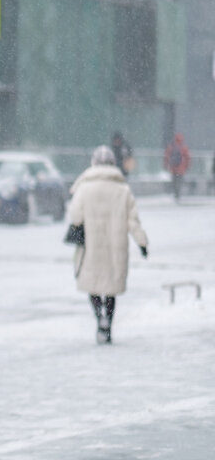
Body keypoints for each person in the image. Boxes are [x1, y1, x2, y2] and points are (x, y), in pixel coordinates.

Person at [67, 145, 148, 344]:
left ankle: (99, 318)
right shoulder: (123, 189)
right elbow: (133, 221)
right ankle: (108, 326)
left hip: (91, 245)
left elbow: (75, 216)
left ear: (93, 163)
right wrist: (142, 242)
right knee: (111, 288)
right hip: (115, 245)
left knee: (93, 285)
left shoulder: (84, 188)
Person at [163, 132, 191, 202]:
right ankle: (178, 194)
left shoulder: (171, 147)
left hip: (173, 168)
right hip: (181, 168)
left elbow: (166, 156)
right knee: (179, 181)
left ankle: (176, 193)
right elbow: (188, 158)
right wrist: (187, 166)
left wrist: (166, 165)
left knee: (174, 181)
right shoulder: (184, 147)